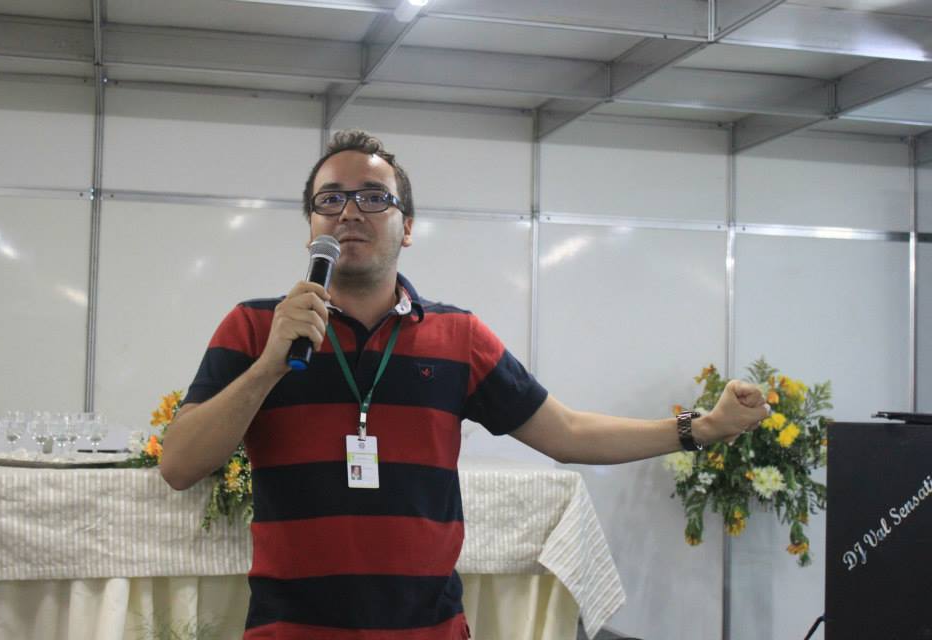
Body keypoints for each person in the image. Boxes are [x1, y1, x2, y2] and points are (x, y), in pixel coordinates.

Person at [160, 129, 769, 639]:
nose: (349, 211)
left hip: (428, 628)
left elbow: (568, 433)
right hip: (291, 629)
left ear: (407, 227)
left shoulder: (458, 337)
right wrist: (270, 364)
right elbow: (180, 465)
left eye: (373, 197)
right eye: (331, 199)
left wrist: (702, 428)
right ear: (311, 225)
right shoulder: (254, 328)